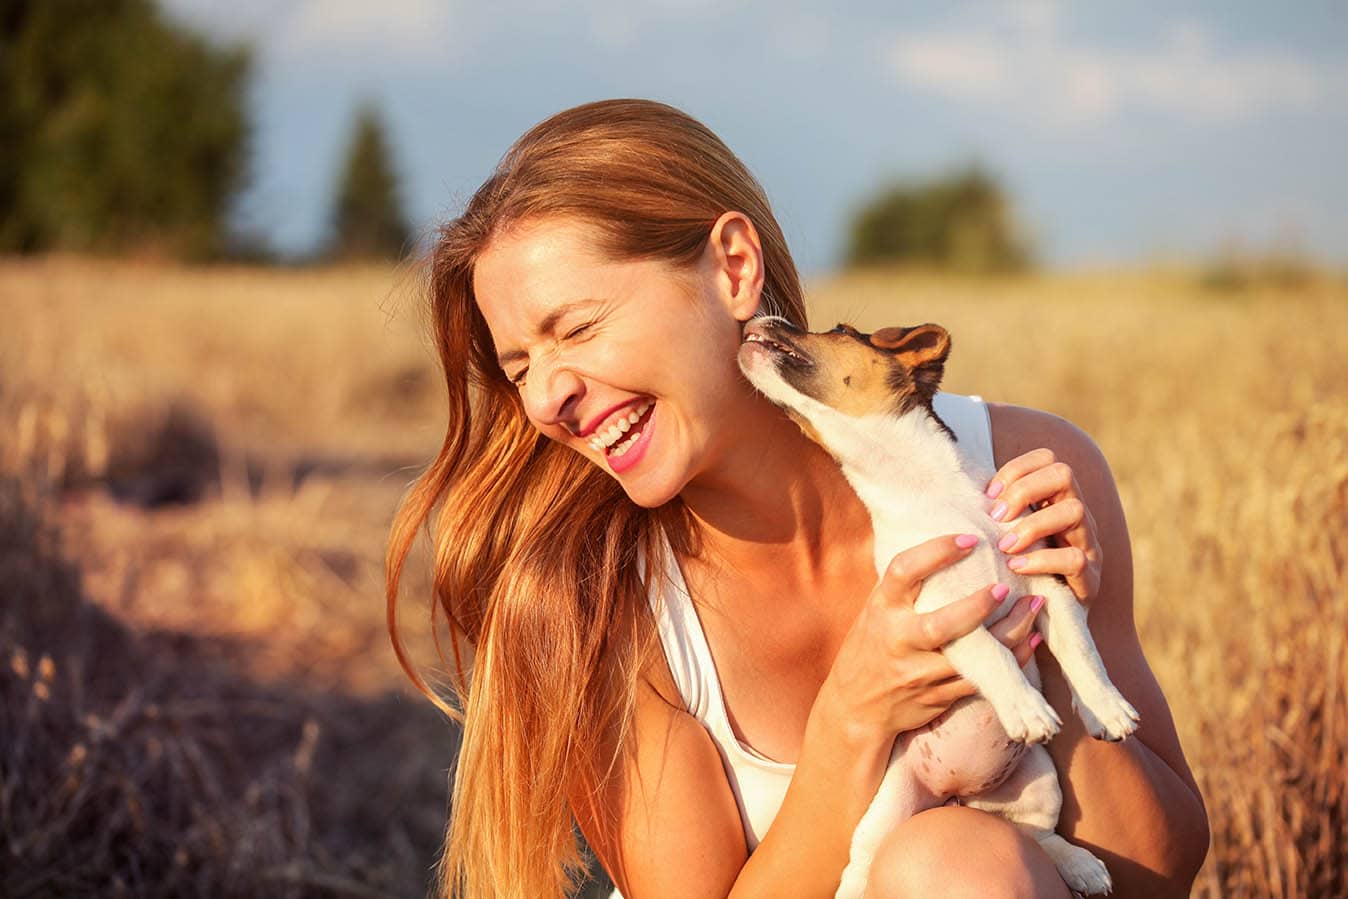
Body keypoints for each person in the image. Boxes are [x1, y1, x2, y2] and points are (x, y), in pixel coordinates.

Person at [385, 98, 1209, 899]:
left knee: (955, 862)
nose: (545, 400)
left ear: (733, 268)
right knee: (946, 860)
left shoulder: (1024, 467)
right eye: (521, 368)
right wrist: (854, 715)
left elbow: (1159, 873)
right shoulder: (596, 601)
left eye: (576, 328)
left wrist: (1044, 631)